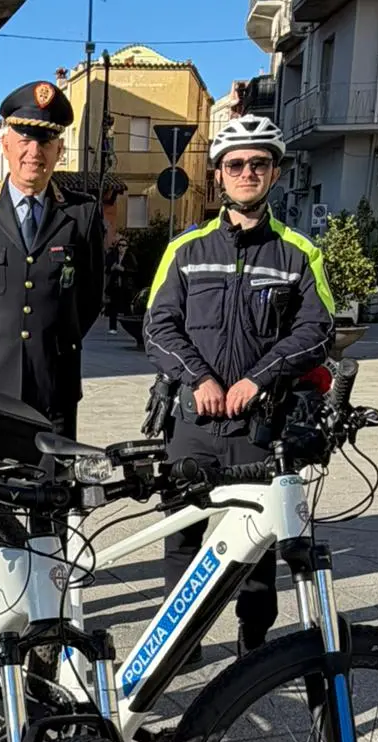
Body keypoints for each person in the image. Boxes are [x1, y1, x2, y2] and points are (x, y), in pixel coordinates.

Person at [141, 114, 336, 666]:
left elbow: (317, 329)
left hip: (258, 424)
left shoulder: (299, 252)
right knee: (182, 539)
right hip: (192, 423)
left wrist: (258, 378)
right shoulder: (186, 249)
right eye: (236, 164)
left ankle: (255, 645)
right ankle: (182, 642)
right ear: (219, 175)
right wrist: (199, 378)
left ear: (274, 172)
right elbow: (158, 326)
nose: (247, 172)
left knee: (258, 544)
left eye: (258, 163)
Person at [0, 80, 105, 443]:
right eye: (25, 140)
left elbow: (91, 298)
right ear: (5, 144)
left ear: (60, 149)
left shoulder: (82, 215)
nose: (35, 151)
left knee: (51, 492)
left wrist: (50, 339)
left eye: (46, 141)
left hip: (55, 385)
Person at [104, 235, 136, 334]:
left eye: (123, 245)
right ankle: (112, 328)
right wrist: (112, 268)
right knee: (113, 307)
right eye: (119, 245)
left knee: (127, 308)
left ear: (127, 247)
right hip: (115, 285)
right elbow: (107, 268)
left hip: (126, 286)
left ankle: (129, 327)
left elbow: (134, 270)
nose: (121, 247)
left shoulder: (130, 256)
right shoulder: (113, 256)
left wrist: (123, 269)